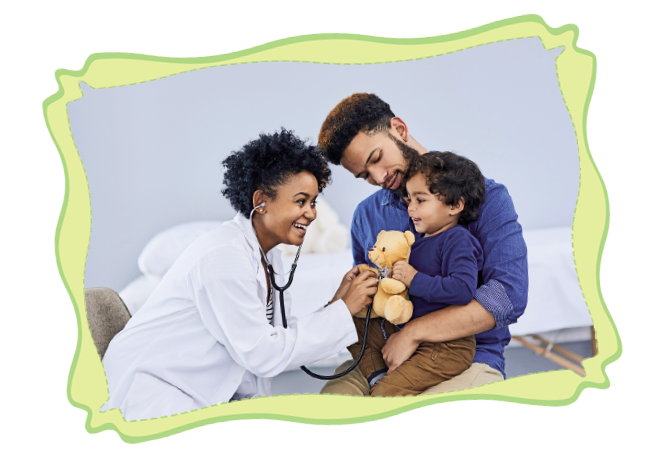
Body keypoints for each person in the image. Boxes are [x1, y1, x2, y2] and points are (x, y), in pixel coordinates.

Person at [100, 128, 378, 420]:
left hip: (192, 394)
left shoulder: (268, 257)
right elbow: (263, 354)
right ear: (261, 201)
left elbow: (278, 338)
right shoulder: (224, 257)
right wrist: (344, 310)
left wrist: (336, 306)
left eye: (313, 202)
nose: (312, 213)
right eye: (300, 201)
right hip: (151, 396)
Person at [318, 93, 528, 396]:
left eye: (376, 158)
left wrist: (415, 332)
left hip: (468, 357)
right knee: (331, 410)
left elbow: (508, 296)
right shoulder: (367, 215)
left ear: (399, 129)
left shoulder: (488, 198)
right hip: (386, 356)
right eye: (364, 175)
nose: (378, 177)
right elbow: (371, 306)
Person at [349, 151, 485, 397]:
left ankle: (384, 388)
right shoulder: (419, 243)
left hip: (447, 346)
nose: (410, 208)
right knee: (348, 318)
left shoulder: (458, 240)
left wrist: (414, 279)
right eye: (409, 199)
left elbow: (463, 290)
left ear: (455, 205)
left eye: (420, 200)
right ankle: (377, 374)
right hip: (413, 335)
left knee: (382, 397)